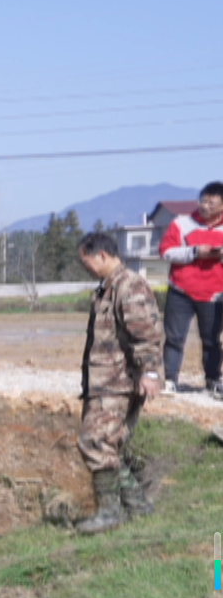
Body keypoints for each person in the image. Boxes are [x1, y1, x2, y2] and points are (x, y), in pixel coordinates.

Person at [73, 231, 163, 535]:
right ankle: (138, 507)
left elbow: (146, 333)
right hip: (105, 381)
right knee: (106, 445)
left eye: (86, 261)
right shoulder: (108, 288)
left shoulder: (129, 286)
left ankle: (109, 514)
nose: (84, 268)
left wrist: (149, 372)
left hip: (118, 382)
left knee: (94, 441)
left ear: (101, 255)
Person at [159, 181, 223, 399]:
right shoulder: (181, 223)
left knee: (212, 339)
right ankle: (169, 380)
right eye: (202, 201)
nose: (204, 206)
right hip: (181, 290)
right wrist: (194, 252)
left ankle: (213, 381)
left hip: (214, 294)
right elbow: (166, 252)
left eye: (211, 203)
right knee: (174, 337)